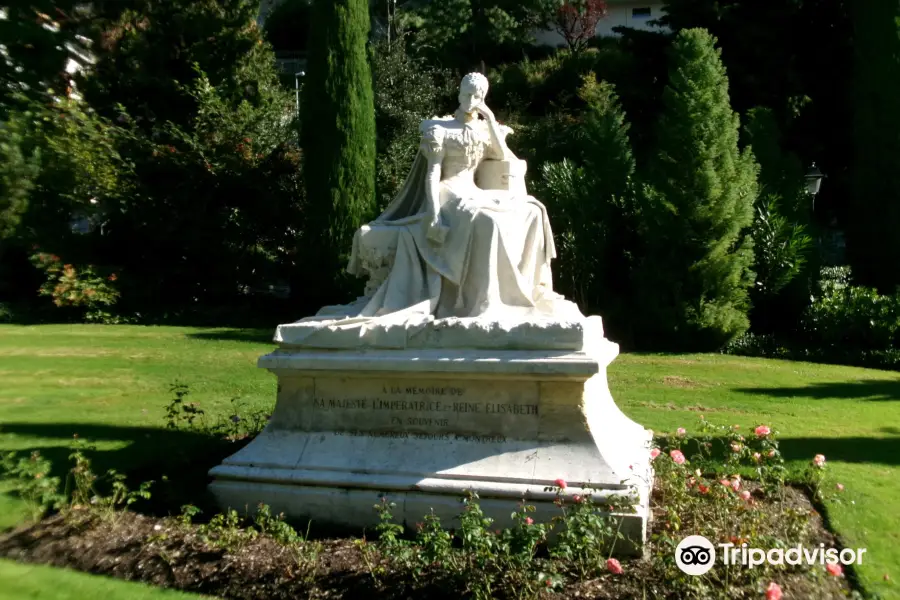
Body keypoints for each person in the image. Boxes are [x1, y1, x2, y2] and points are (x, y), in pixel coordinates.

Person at [285, 73, 579, 347]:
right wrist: (435, 214)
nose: (472, 98)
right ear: (460, 91)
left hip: (473, 191)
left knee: (531, 210)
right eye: (468, 92)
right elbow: (432, 174)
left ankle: (517, 296)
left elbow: (501, 155)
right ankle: (481, 300)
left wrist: (488, 116)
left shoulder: (482, 128)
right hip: (448, 191)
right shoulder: (439, 129)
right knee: (488, 221)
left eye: (479, 94)